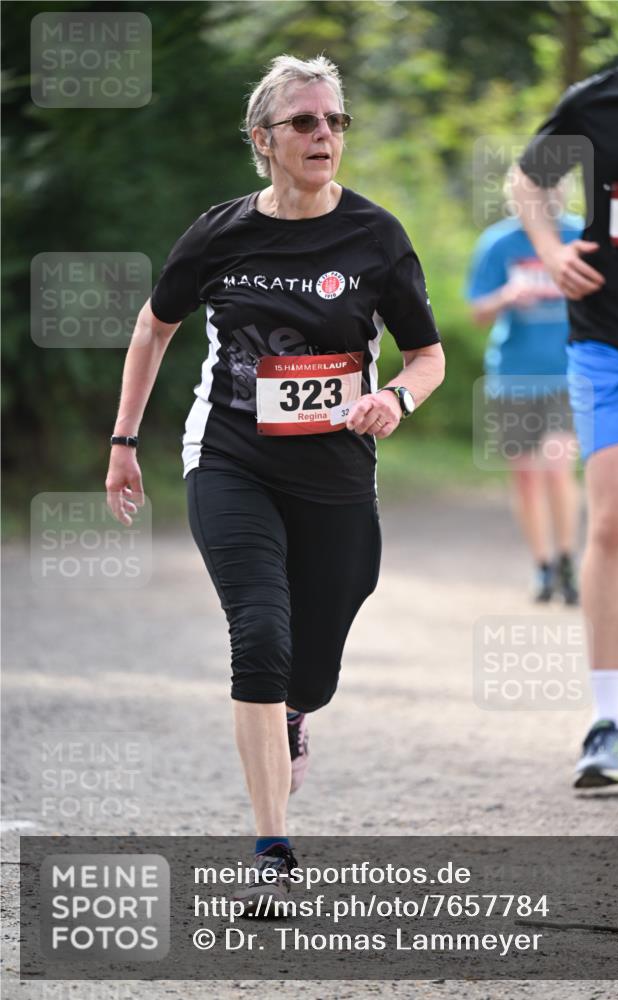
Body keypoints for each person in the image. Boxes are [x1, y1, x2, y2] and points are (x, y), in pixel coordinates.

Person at [105, 55, 444, 905]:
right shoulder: (220, 233)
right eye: (304, 122)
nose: (323, 134)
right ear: (264, 139)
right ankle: (271, 851)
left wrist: (396, 397)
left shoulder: (376, 237)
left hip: (335, 476)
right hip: (229, 457)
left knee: (312, 667)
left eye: (334, 121)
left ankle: (295, 711)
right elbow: (154, 329)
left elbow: (427, 355)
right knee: (258, 634)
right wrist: (122, 440)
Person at [513, 0, 618, 787]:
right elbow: (526, 179)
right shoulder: (595, 103)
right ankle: (606, 720)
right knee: (613, 520)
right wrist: (548, 248)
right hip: (608, 342)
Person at [467, 171, 582, 604]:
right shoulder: (499, 243)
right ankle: (543, 565)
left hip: (567, 374)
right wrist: (507, 296)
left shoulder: (580, 236)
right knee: (527, 477)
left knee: (557, 466)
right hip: (513, 375)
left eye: (553, 191)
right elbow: (477, 311)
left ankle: (569, 560)